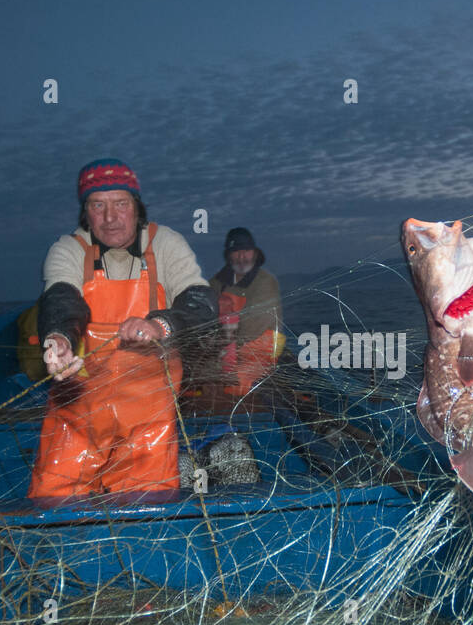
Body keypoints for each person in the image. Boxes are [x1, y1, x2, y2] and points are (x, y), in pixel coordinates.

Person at [28, 159, 216, 497]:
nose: (110, 217)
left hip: (149, 425)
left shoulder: (166, 244)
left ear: (137, 206)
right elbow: (61, 298)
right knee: (54, 507)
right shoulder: (68, 249)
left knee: (147, 515)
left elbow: (201, 304)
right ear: (85, 212)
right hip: (77, 419)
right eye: (98, 205)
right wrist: (59, 337)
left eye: (120, 203)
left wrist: (161, 325)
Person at [208, 227, 283, 396]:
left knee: (236, 384)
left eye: (247, 251)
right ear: (228, 255)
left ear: (255, 253)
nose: (242, 257)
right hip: (223, 348)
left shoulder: (266, 282)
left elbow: (253, 327)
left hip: (260, 350)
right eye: (236, 252)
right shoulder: (216, 283)